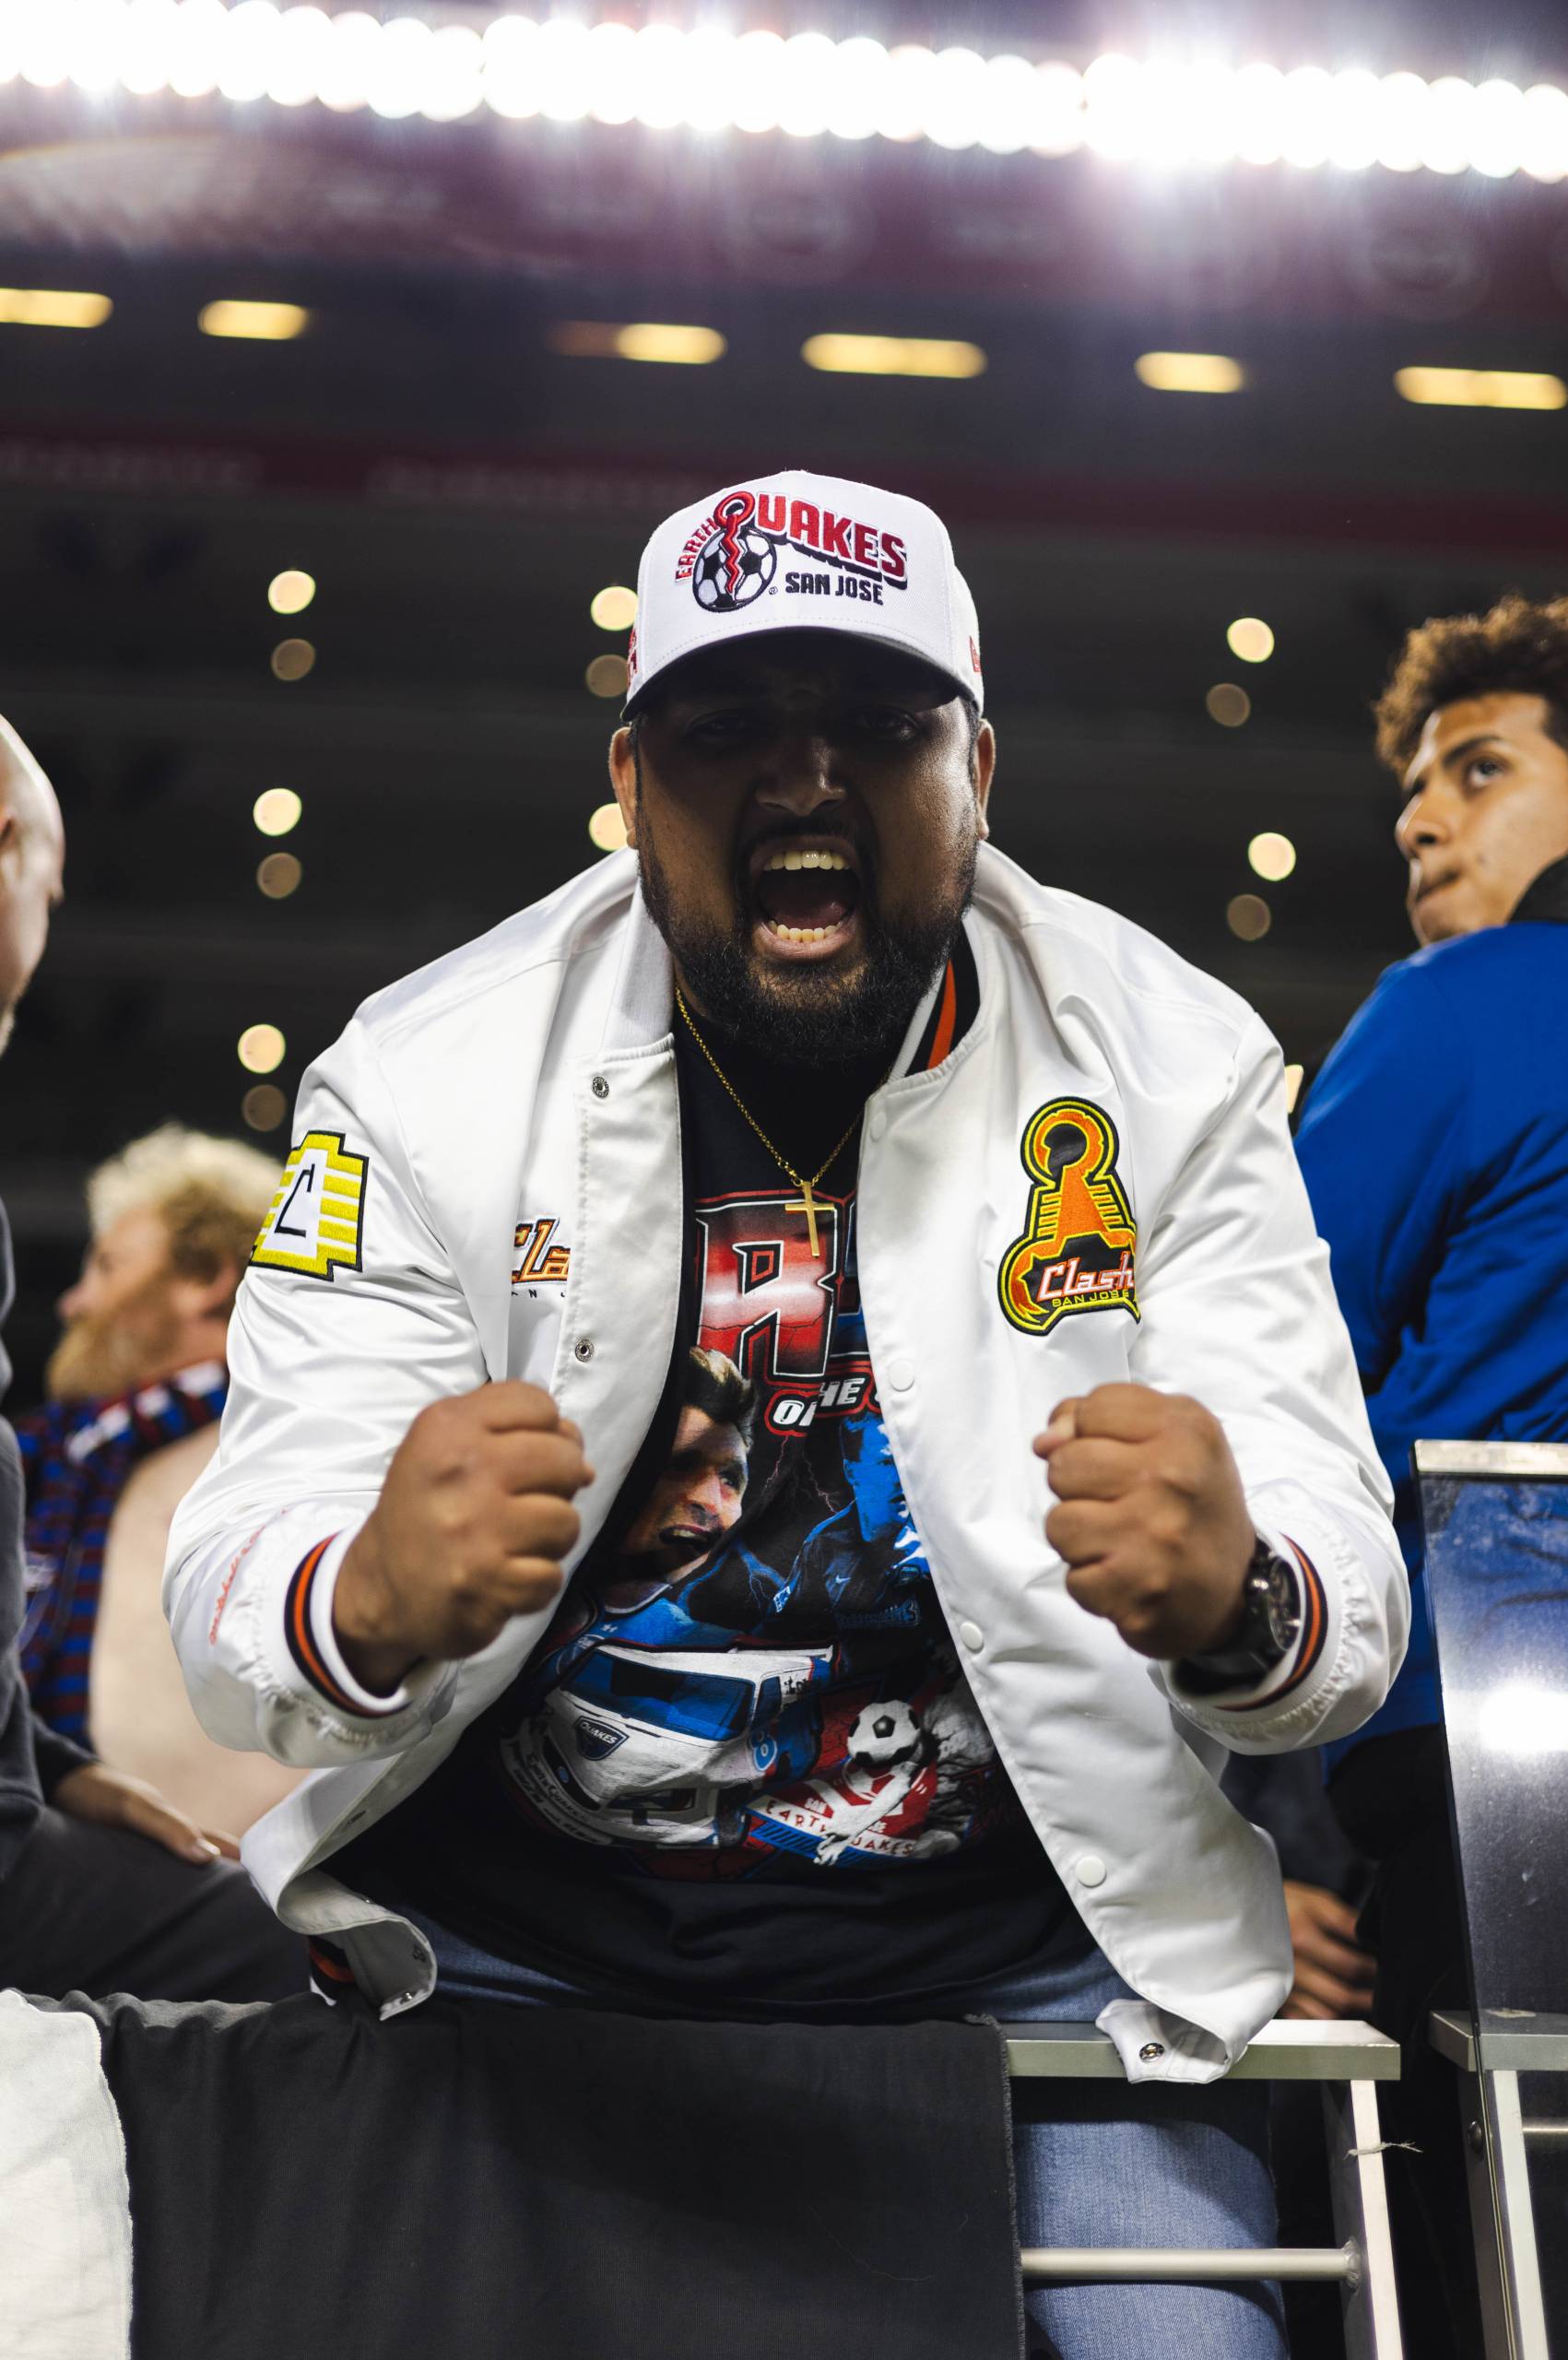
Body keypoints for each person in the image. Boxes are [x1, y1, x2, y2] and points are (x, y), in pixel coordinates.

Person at [169, 470, 1407, 2358]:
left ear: (976, 766)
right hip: (521, 1972)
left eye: (876, 724)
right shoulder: (424, 1075)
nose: (804, 778)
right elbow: (236, 1595)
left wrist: (1240, 1591)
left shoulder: (1169, 1064)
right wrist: (364, 1592)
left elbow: (1342, 1601)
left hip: (1037, 1974)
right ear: (631, 777)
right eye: (729, 723)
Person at [1293, 591, 1568, 2358]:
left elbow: (1274, 1384)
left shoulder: (1458, 1004)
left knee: (1487, 2251)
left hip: (1467, 1749)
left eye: (1478, 770)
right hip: (1463, 1743)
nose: (1418, 818)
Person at [0, 715, 301, 2001]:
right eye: (47, 889)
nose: (72, 1300)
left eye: (106, 1270)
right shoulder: (85, 1454)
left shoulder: (267, 1431)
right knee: (360, 1974)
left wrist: (47, 1766)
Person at [18, 1125, 302, 1835]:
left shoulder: (291, 1452)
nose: (74, 1303)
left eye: (107, 1266)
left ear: (205, 1280)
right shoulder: (64, 1454)